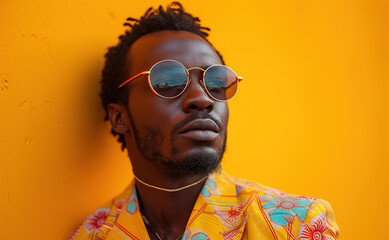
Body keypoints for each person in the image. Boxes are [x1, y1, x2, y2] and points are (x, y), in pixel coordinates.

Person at [71, 2, 340, 240]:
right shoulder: (95, 235)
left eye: (215, 83)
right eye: (168, 81)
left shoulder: (292, 226)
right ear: (120, 117)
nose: (202, 99)